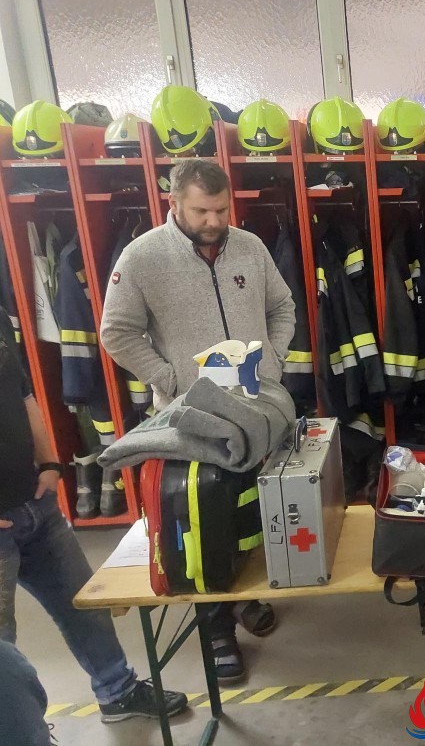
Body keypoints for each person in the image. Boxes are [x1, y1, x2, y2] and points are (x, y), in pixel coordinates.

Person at [101, 158, 296, 682]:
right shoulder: (142, 257)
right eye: (201, 211)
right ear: (174, 204)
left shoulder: (250, 248)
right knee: (201, 520)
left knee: (249, 509)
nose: (214, 221)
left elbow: (282, 307)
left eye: (221, 210)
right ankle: (216, 629)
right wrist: (168, 378)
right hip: (192, 418)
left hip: (255, 407)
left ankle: (244, 595)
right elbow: (116, 332)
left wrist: (273, 360)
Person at [0, 309, 188, 724]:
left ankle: (117, 690)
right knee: (2, 657)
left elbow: (23, 394)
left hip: (35, 501)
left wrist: (51, 463)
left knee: (85, 605)